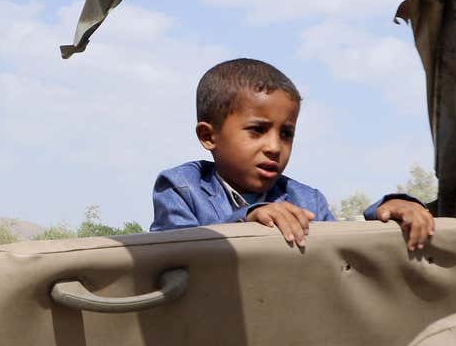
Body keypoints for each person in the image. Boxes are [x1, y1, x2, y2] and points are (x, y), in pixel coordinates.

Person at [151, 58, 434, 250]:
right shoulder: (181, 188)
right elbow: (175, 255)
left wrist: (386, 213)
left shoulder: (307, 200)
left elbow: (343, 251)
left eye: (286, 133)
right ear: (208, 136)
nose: (275, 147)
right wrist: (246, 222)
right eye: (257, 130)